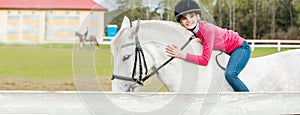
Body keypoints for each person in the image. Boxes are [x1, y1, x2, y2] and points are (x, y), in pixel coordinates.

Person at [165, 0, 250, 92]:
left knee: (230, 74)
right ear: (181, 22)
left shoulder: (206, 31)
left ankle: (248, 98)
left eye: (191, 16)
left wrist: (181, 54)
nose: (189, 20)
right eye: (184, 18)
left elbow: (204, 61)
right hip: (228, 49)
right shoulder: (196, 31)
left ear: (198, 16)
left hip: (240, 47)